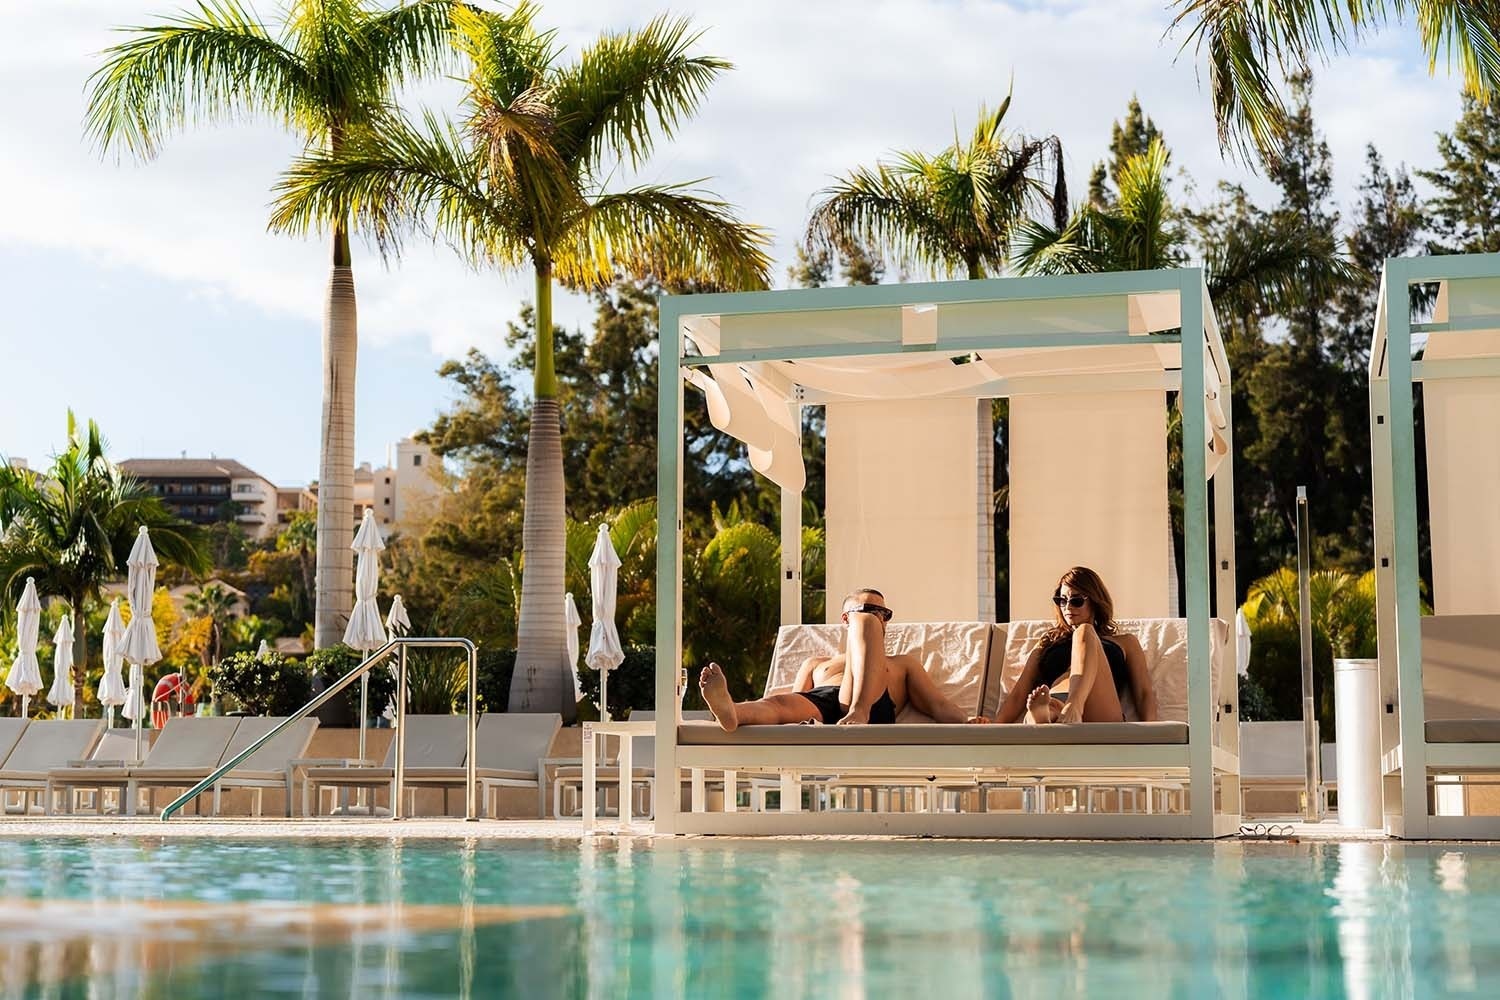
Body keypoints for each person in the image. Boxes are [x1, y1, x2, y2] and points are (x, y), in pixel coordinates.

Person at [698, 588, 971, 730]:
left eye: (884, 613)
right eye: (869, 609)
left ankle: (859, 710)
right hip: (825, 704)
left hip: (872, 704)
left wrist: (967, 722)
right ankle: (733, 711)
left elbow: (937, 705)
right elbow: (792, 705)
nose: (878, 616)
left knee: (865, 624)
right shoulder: (817, 663)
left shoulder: (902, 663)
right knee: (778, 702)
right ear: (844, 619)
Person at [981, 566, 1158, 725]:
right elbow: (1020, 694)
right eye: (1062, 600)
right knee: (1044, 706)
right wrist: (994, 726)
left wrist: (1151, 731)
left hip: (1098, 709)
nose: (1067, 607)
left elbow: (1143, 692)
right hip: (1057, 702)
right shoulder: (1048, 642)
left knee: (1085, 632)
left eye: (1076, 601)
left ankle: (1074, 706)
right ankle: (1042, 716)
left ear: (1095, 602)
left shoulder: (1125, 642)